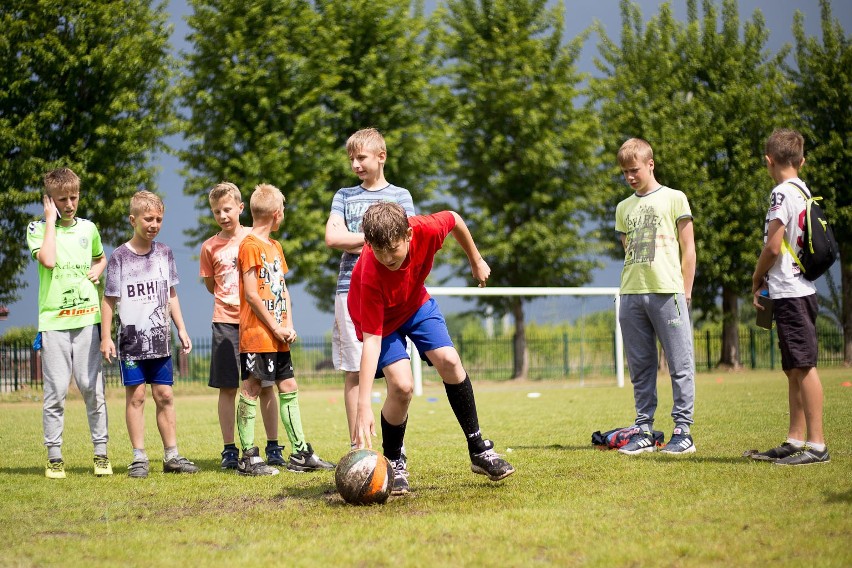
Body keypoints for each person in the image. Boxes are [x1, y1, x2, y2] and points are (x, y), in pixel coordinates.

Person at [349, 201, 515, 495]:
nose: (388, 258)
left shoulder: (425, 228)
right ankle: (394, 461)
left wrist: (475, 259)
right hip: (380, 321)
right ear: (369, 244)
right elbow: (372, 340)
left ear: (409, 235)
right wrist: (363, 405)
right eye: (379, 251)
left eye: (394, 249)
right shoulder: (370, 272)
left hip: (414, 303)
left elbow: (455, 219)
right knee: (401, 386)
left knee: (450, 361)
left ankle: (478, 449)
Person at [324, 128, 415, 449]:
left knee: (397, 376)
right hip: (350, 292)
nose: (355, 165)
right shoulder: (344, 196)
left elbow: (408, 239)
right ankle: (358, 447)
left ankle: (394, 444)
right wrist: (379, 237)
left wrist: (360, 239)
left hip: (392, 296)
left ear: (381, 156)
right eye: (351, 159)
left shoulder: (401, 196)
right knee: (353, 370)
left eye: (361, 157)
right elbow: (333, 238)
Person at [236, 183, 334, 475]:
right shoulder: (249, 246)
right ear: (276, 214)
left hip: (279, 335)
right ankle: (248, 457)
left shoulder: (275, 248)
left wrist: (288, 324)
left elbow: (283, 290)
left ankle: (300, 453)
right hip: (257, 335)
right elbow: (252, 295)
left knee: (289, 386)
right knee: (252, 387)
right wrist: (275, 327)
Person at [100, 190, 200, 478]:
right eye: (148, 218)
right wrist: (106, 337)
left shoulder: (165, 254)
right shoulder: (119, 257)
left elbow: (171, 295)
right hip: (131, 343)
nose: (154, 224)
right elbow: (109, 300)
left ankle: (172, 456)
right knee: (137, 397)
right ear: (133, 220)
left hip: (160, 341)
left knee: (165, 395)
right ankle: (139, 458)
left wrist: (181, 328)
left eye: (158, 219)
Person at [750, 128, 829, 466]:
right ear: (802, 160)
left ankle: (817, 445)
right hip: (798, 290)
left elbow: (772, 245)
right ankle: (795, 438)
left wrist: (756, 277)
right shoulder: (803, 189)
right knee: (794, 368)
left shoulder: (781, 193)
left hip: (791, 292)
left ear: (769, 161)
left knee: (805, 366)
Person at [614, 138, 697, 455]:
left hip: (668, 292)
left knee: (680, 364)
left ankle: (683, 431)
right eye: (624, 173)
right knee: (641, 368)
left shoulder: (675, 198)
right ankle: (644, 429)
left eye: (634, 170)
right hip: (632, 294)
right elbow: (628, 250)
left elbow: (688, 248)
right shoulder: (623, 208)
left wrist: (685, 291)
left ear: (650, 164)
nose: (630, 177)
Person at [27, 167, 111, 479]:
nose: (70, 204)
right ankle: (54, 458)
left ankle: (101, 454)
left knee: (92, 388)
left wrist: (98, 269)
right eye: (62, 199)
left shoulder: (89, 229)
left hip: (87, 320)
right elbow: (48, 259)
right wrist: (50, 221)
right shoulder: (37, 228)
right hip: (53, 323)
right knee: (56, 391)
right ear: (49, 200)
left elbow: (100, 257)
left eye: (74, 197)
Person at [199, 182, 284, 470]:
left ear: (240, 208)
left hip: (257, 324)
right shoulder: (209, 247)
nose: (222, 215)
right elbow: (212, 285)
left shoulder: (254, 237)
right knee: (227, 387)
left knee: (265, 386)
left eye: (227, 209)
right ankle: (229, 449)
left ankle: (273, 446)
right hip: (225, 323)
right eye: (216, 211)